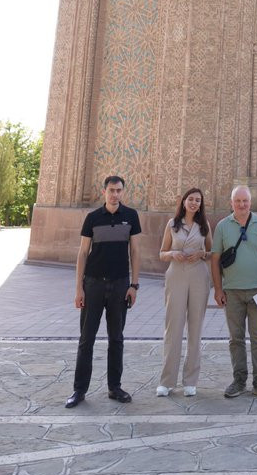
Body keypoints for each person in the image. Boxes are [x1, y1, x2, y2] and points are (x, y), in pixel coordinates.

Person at [65, 174, 141, 408]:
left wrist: (134, 285)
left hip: (120, 285)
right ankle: (79, 390)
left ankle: (114, 387)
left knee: (116, 338)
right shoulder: (92, 218)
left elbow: (135, 252)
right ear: (104, 192)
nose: (115, 194)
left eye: (118, 190)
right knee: (86, 339)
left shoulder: (131, 216)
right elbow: (82, 253)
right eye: (111, 190)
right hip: (94, 284)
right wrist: (79, 288)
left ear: (122, 192)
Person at [211, 186, 257, 402]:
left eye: (245, 201)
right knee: (236, 338)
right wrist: (218, 289)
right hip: (232, 292)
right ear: (231, 203)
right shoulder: (222, 226)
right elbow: (215, 259)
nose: (241, 205)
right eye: (238, 201)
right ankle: (239, 380)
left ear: (251, 202)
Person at [156, 186, 212, 398]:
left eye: (198, 200)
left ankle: (190, 380)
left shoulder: (204, 225)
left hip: (198, 275)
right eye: (191, 199)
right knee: (174, 327)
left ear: (201, 204)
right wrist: (173, 253)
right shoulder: (173, 224)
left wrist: (202, 253)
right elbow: (161, 253)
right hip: (176, 275)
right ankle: (167, 381)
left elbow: (211, 252)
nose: (194, 203)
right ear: (184, 201)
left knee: (195, 328)